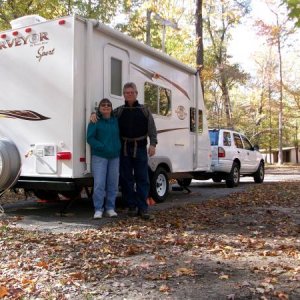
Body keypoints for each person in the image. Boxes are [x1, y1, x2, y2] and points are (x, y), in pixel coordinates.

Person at [91, 82, 157, 220]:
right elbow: (105, 114)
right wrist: (94, 113)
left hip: (140, 148)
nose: (129, 95)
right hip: (125, 148)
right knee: (126, 179)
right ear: (124, 95)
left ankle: (143, 208)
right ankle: (131, 206)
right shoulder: (119, 111)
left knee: (142, 178)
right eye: (127, 93)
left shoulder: (145, 110)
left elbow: (152, 128)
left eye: (132, 92)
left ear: (136, 93)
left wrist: (153, 144)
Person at [87, 98, 121, 219]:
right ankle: (98, 209)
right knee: (99, 184)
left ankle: (110, 208)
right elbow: (90, 138)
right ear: (99, 108)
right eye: (103, 105)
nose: (106, 107)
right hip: (100, 157)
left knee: (113, 184)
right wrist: (101, 146)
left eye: (108, 105)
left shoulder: (116, 121)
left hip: (114, 157)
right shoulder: (95, 121)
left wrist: (118, 148)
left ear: (111, 108)